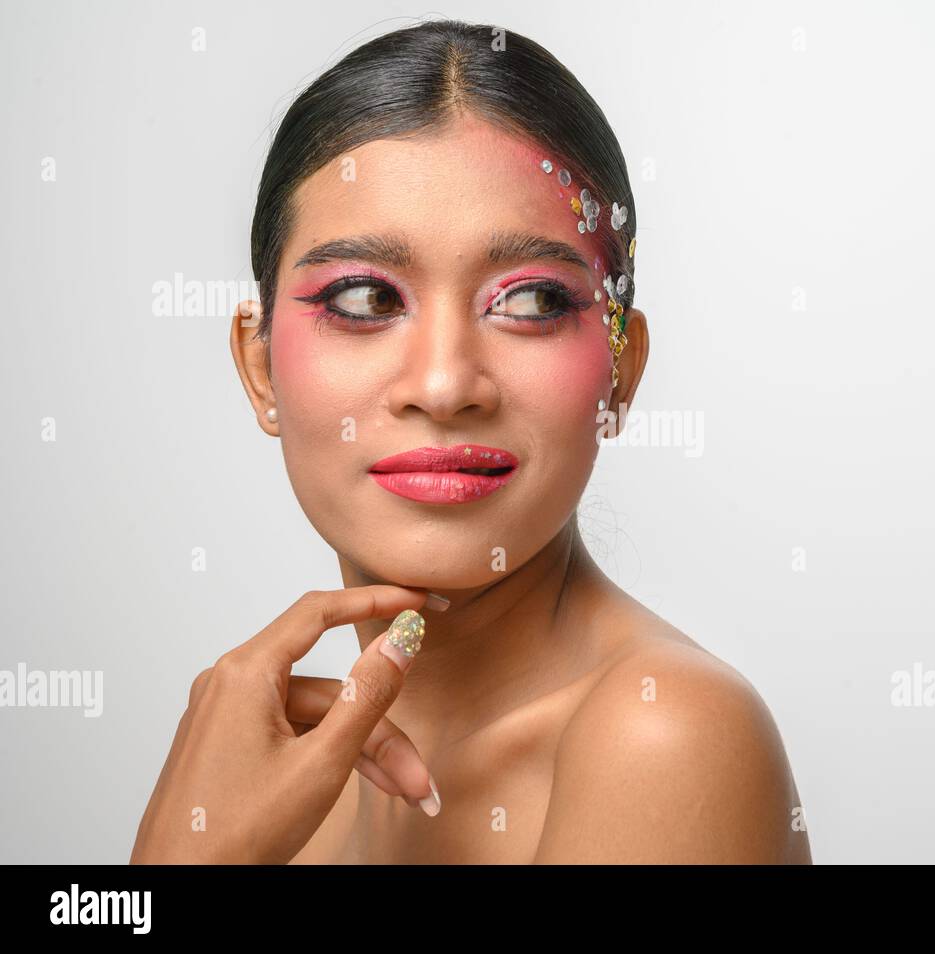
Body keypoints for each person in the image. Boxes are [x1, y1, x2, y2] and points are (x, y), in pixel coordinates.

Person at [131, 18, 811, 864]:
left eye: (529, 303)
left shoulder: (663, 732)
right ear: (259, 365)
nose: (445, 385)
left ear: (622, 373)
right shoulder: (286, 784)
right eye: (365, 300)